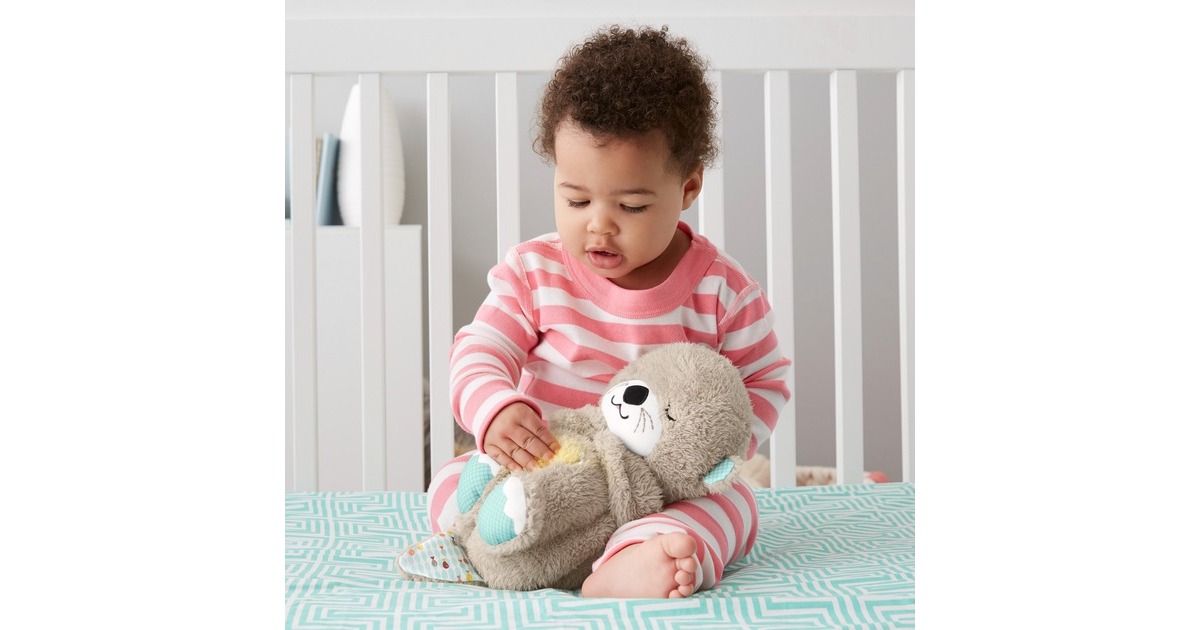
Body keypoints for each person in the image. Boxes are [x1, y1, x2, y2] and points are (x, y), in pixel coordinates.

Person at [426, 24, 791, 599]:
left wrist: (702, 455)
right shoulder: (534, 273)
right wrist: (496, 409)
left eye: (632, 205)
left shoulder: (722, 292)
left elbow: (763, 380)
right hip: (547, 472)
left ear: (688, 186)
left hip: (658, 488)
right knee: (452, 479)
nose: (599, 224)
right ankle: (497, 542)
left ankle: (633, 560)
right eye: (576, 199)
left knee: (736, 506)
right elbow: (479, 349)